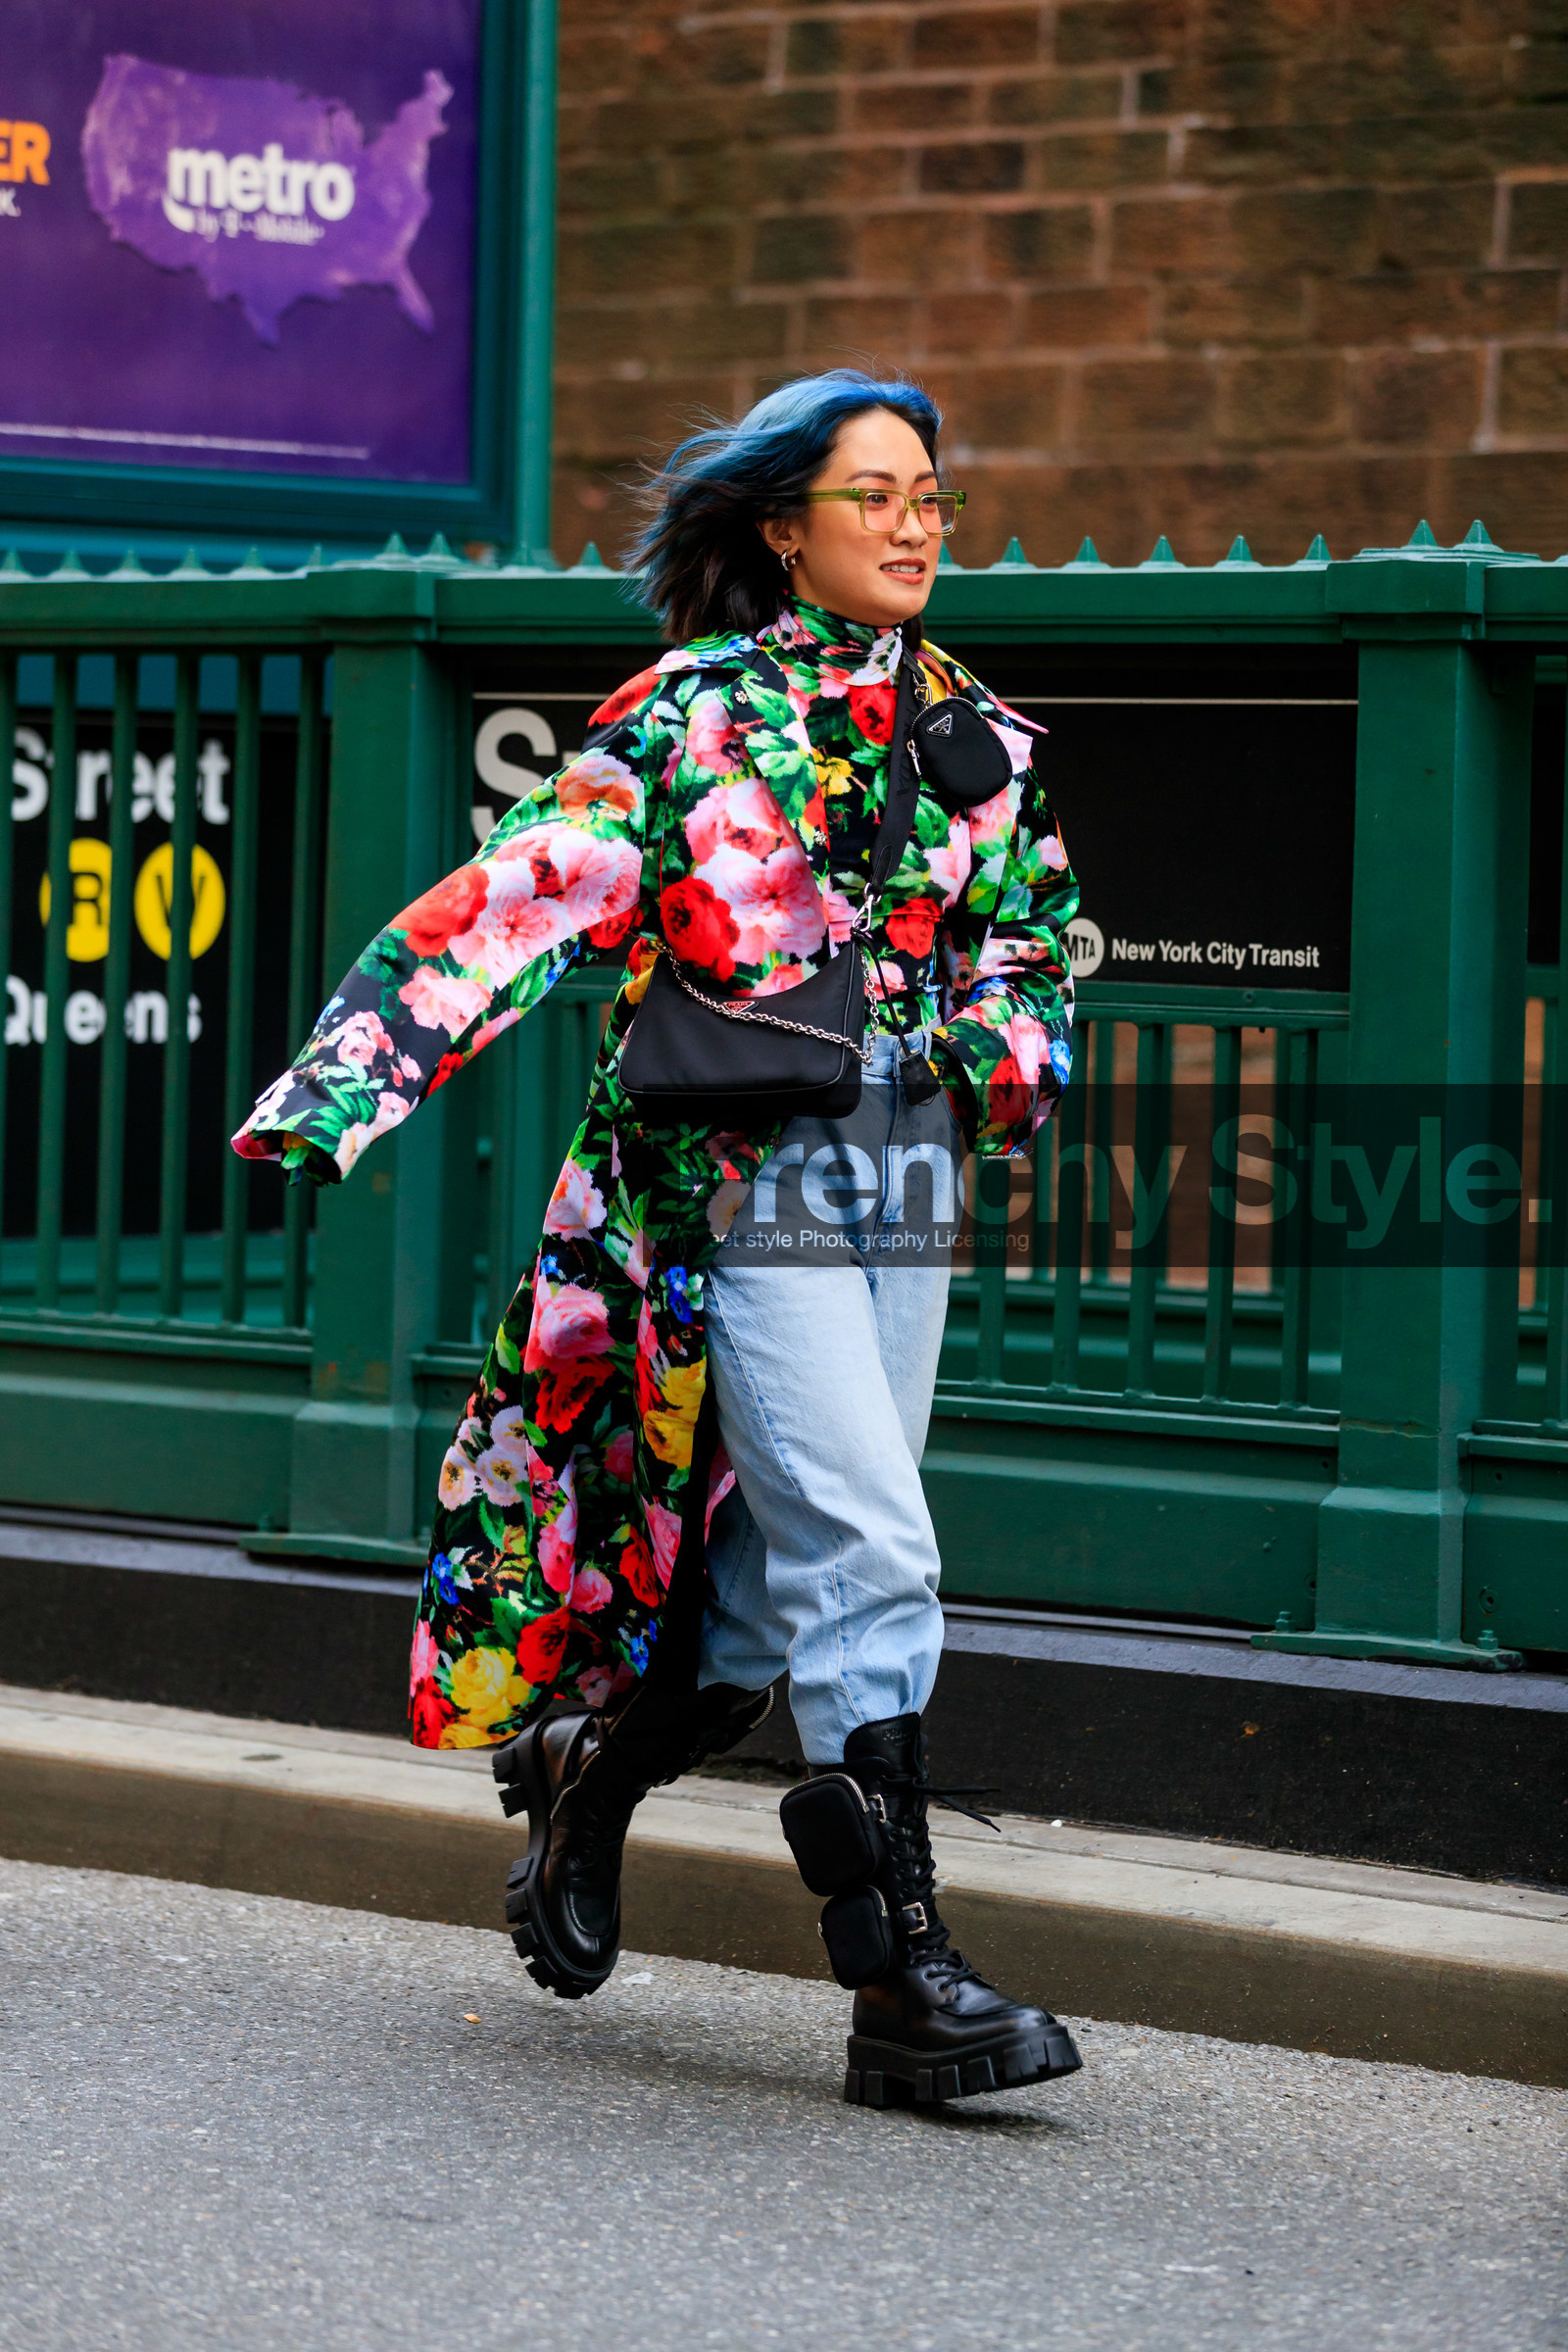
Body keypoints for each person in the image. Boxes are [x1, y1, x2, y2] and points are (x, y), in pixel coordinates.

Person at [234, 368, 1082, 2108]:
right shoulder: (692, 715)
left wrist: (988, 1046)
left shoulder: (978, 731)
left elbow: (1043, 943)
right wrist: (339, 1086)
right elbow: (517, 896)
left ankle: (591, 1780)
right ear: (787, 527)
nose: (923, 523)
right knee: (871, 1549)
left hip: (907, 1172)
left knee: (782, 1586)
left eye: (938, 495)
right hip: (735, 1184)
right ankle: (902, 1985)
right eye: (883, 495)